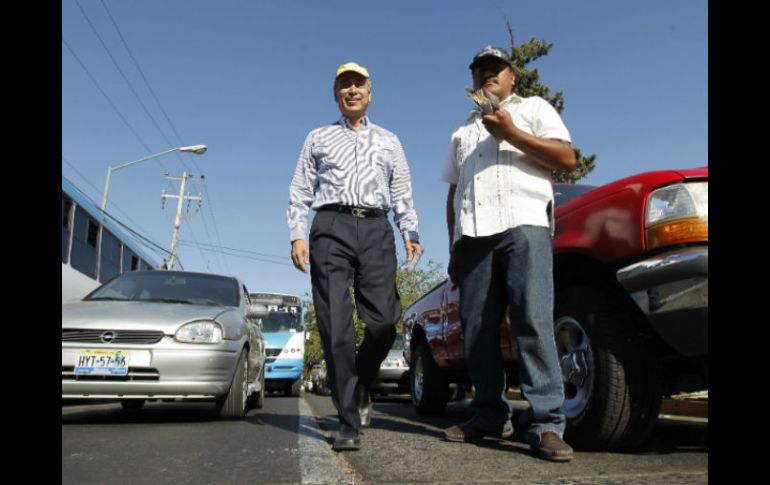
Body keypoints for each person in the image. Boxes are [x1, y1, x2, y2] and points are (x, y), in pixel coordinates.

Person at [440, 45, 576, 462]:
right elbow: (453, 191)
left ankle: (546, 423)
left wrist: (511, 133)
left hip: (524, 226)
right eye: (480, 69)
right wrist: (454, 246)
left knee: (531, 320)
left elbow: (566, 159)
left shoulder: (534, 108)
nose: (487, 75)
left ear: (512, 76)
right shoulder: (462, 131)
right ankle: (488, 414)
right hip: (474, 236)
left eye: (495, 68)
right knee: (478, 331)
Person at [288, 61, 423, 451]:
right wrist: (297, 235)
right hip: (330, 226)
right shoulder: (318, 137)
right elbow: (300, 190)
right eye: (344, 85)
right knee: (335, 326)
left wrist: (409, 232)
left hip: (377, 229)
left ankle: (362, 380)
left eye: (358, 84)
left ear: (369, 92)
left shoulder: (390, 141)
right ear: (336, 94)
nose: (351, 90)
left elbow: (402, 193)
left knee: (383, 321)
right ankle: (348, 418)